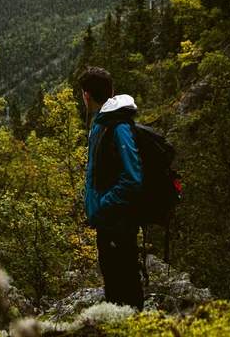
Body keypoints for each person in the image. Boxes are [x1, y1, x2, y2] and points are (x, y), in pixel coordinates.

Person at [78, 66, 144, 310]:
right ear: (111, 90)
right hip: (108, 222)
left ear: (87, 95)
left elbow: (132, 180)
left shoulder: (118, 127)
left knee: (124, 285)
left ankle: (135, 326)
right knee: (114, 283)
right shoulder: (103, 123)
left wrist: (103, 207)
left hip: (118, 222)